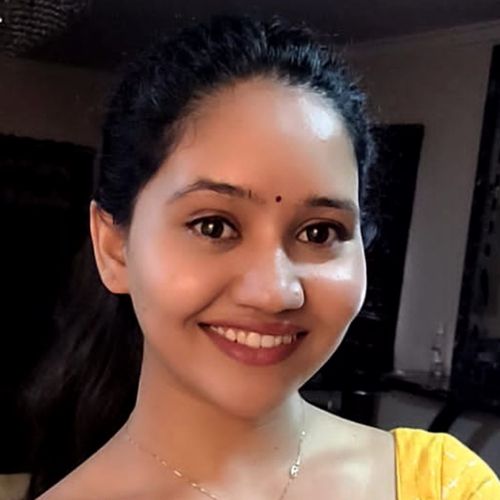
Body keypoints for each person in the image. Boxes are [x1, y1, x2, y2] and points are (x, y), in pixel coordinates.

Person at [26, 15, 499, 500]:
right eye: (214, 226)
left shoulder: (445, 485)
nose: (275, 292)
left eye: (319, 231)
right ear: (114, 249)